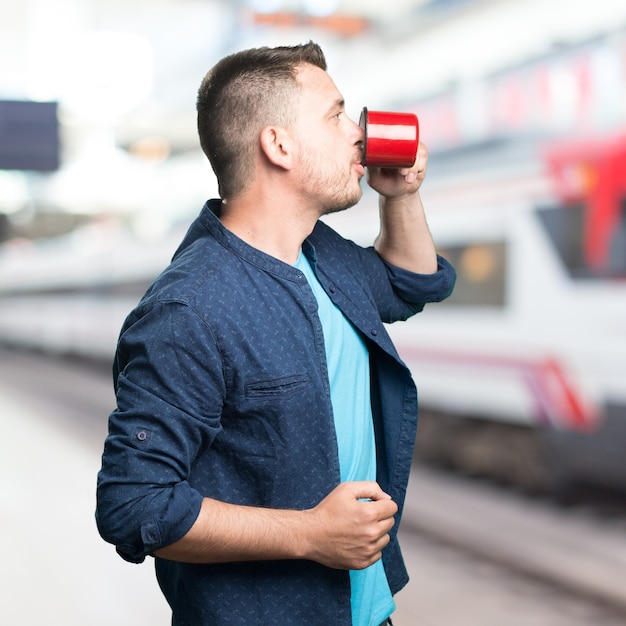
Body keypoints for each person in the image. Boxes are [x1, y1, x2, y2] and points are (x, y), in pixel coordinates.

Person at [96, 41, 455, 626]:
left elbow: (411, 283)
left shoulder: (323, 256)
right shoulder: (191, 309)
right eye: (336, 115)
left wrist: (404, 195)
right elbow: (134, 504)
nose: (357, 135)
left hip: (367, 611)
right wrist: (310, 534)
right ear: (278, 145)